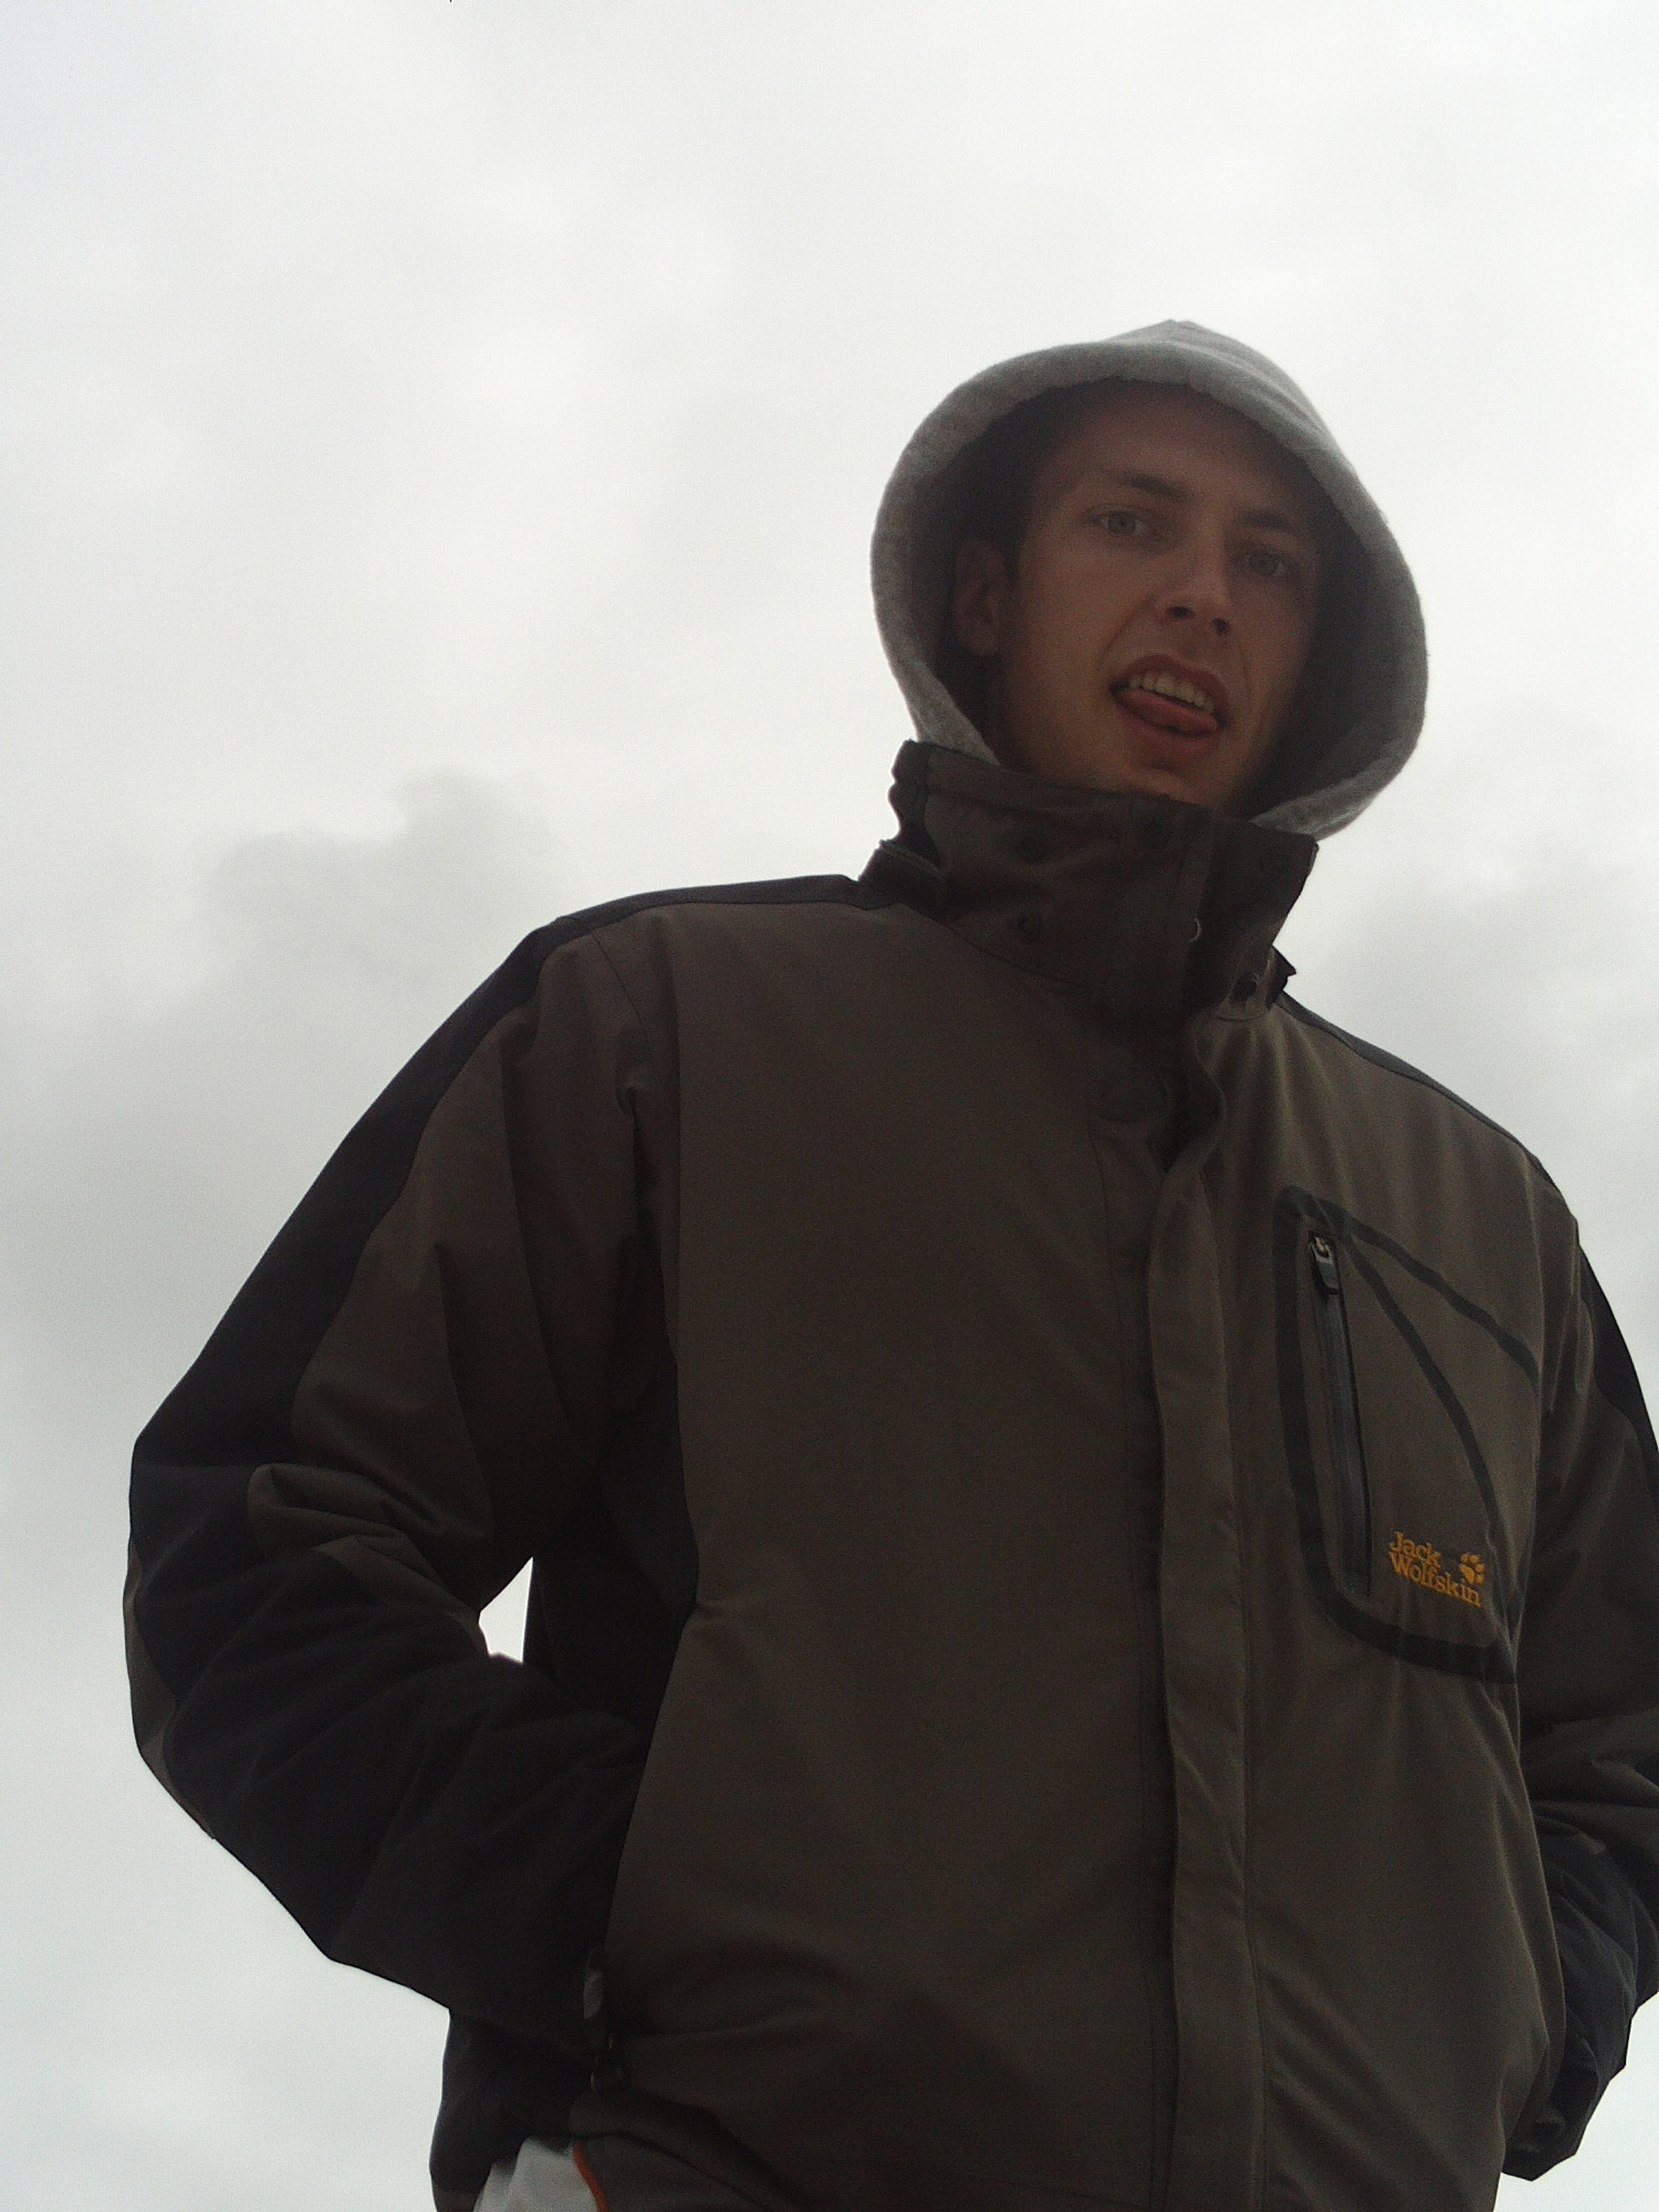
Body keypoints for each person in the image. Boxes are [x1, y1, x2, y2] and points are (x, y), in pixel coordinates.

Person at [125, 323, 1659, 2212]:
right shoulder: (656, 1030)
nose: (1205, 593)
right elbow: (260, 1552)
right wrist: (652, 1919)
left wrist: (1518, 2016)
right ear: (985, 596)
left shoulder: (1484, 1219)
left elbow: (1625, 1741)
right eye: (1134, 523)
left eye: (1269, 562)